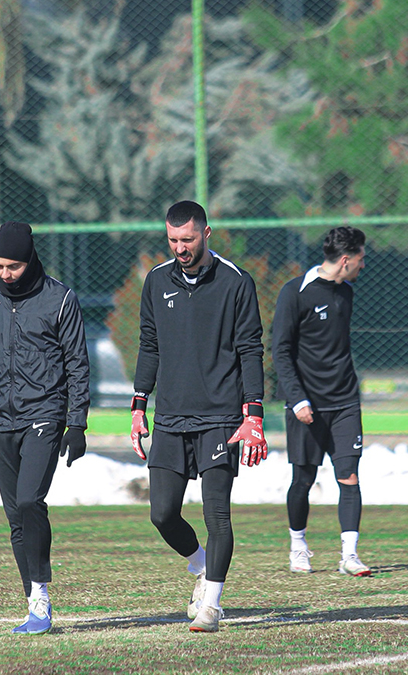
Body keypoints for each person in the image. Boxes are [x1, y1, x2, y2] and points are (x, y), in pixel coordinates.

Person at [130, 200, 267, 633]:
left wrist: (254, 414)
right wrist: (139, 405)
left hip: (220, 418)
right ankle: (201, 565)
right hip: (171, 416)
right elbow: (149, 344)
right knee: (162, 514)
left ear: (206, 234)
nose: (180, 248)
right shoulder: (155, 281)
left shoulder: (235, 282)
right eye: (172, 240)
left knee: (217, 516)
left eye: (187, 239)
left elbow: (250, 349)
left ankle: (211, 606)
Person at [0, 221, 92, 635]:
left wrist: (76, 423)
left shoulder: (59, 300)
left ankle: (40, 592)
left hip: (45, 413)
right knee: (14, 517)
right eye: (0, 265)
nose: (5, 274)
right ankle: (36, 601)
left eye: (14, 266)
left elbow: (77, 363)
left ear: (30, 261)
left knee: (29, 501)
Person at [271, 226, 370, 576]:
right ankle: (298, 545)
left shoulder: (348, 294)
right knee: (303, 479)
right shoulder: (295, 293)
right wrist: (297, 399)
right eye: (360, 259)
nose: (363, 265)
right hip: (306, 406)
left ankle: (350, 555)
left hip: (344, 402)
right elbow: (280, 351)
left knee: (350, 476)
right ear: (345, 260)